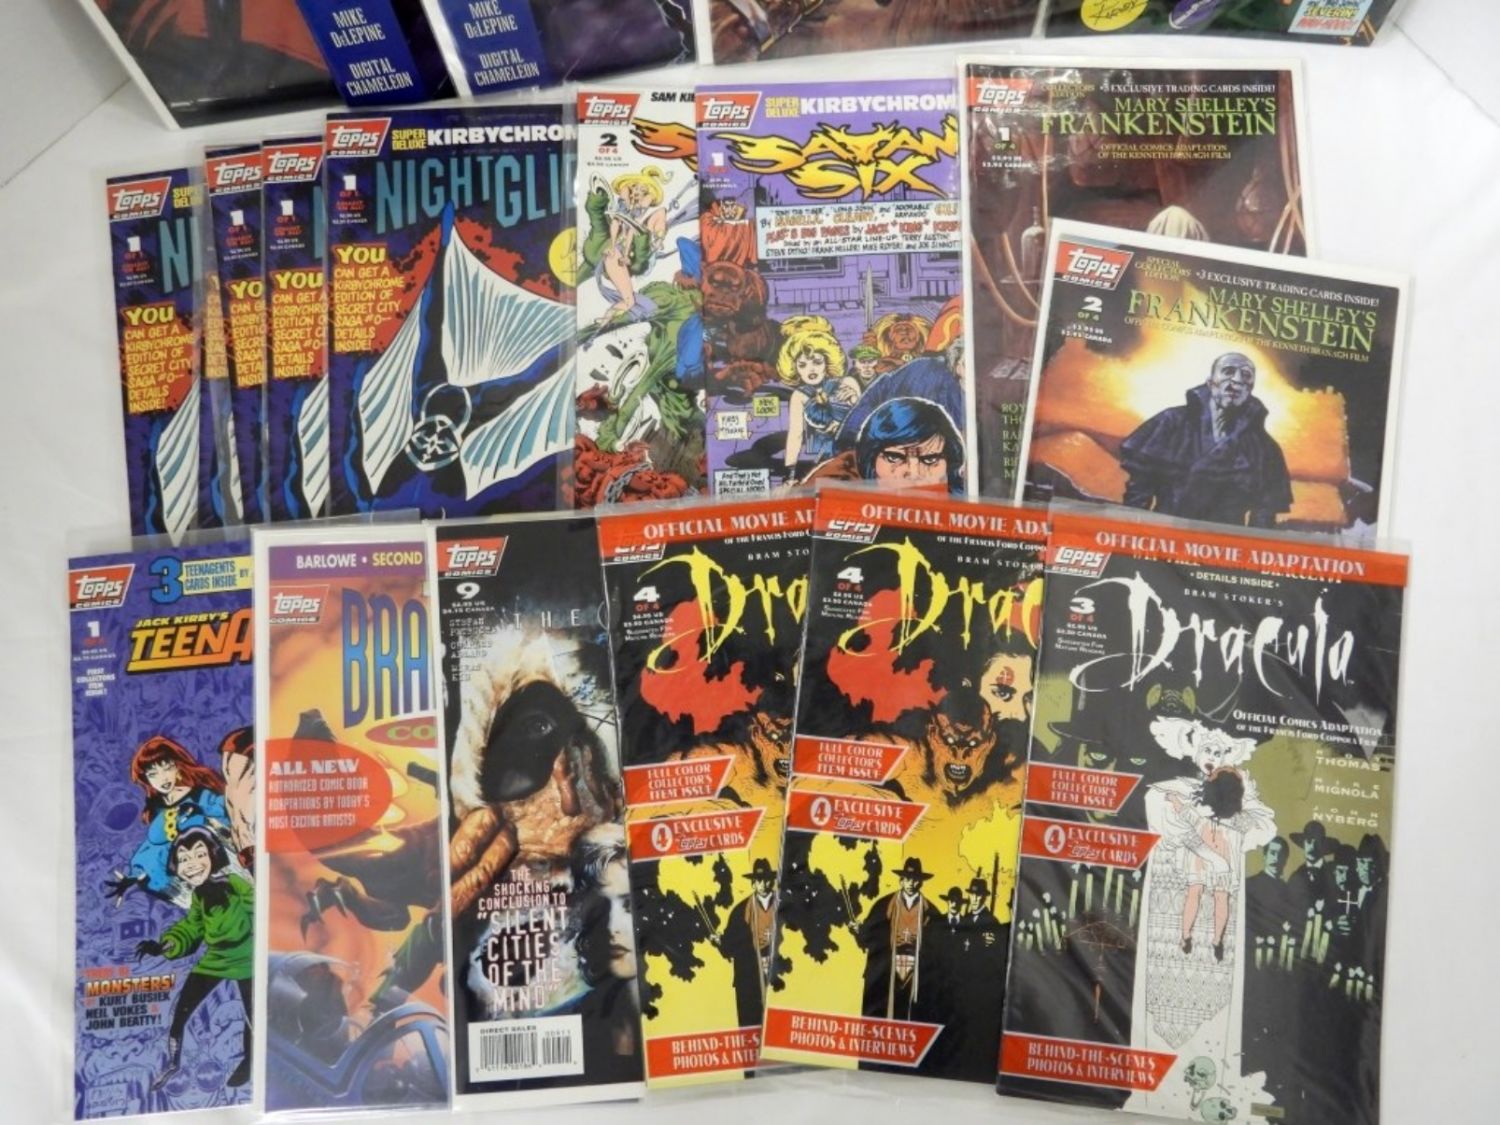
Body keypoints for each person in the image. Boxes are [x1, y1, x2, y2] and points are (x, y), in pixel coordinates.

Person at [134, 827, 253, 1089]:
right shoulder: (198, 895)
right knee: (181, 1012)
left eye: (200, 855)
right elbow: (192, 928)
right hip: (215, 959)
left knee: (254, 1016)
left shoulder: (235, 883)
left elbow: (258, 910)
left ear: (213, 855)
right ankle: (173, 1065)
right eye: (184, 858)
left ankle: (251, 1062)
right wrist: (164, 946)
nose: (192, 864)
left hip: (247, 958)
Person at [1117, 352, 1293, 528]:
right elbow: (1137, 495)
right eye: (1228, 371)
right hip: (1166, 534)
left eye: (1246, 375)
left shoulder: (1264, 448)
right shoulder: (1171, 422)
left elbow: (1264, 514)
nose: (1237, 380)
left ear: (1251, 388)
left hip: (1222, 540)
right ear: (1210, 381)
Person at [107, 736, 231, 905]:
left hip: (222, 867)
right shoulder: (158, 808)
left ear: (177, 767)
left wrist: (201, 811)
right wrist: (135, 876)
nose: (163, 778)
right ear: (146, 780)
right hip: (188, 882)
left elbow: (228, 812)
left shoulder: (199, 795)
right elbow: (151, 848)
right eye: (153, 774)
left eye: (167, 768)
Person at [851, 857, 937, 1021]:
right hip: (887, 967)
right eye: (907, 878)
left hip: (917, 970)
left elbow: (937, 945)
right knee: (882, 1014)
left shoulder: (931, 911)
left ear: (921, 882)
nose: (911, 883)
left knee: (914, 1015)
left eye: (915, 879)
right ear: (901, 880)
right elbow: (867, 939)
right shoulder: (883, 905)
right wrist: (858, 931)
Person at [712, 858, 779, 1029]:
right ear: (753, 883)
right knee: (751, 1027)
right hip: (749, 979)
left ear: (772, 881)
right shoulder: (740, 910)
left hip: (778, 975)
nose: (762, 884)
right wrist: (719, 943)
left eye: (765, 879)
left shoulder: (784, 906)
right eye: (758, 880)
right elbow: (729, 948)